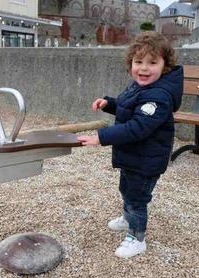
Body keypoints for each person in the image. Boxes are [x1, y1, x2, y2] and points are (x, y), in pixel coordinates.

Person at [77, 31, 183, 259]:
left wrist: (101, 137)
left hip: (147, 159)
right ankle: (128, 219)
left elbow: (137, 127)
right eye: (138, 62)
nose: (144, 68)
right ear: (131, 63)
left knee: (137, 197)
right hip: (133, 156)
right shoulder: (140, 86)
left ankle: (137, 238)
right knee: (126, 189)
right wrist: (110, 104)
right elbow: (129, 107)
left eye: (152, 63)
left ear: (165, 66)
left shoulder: (159, 96)